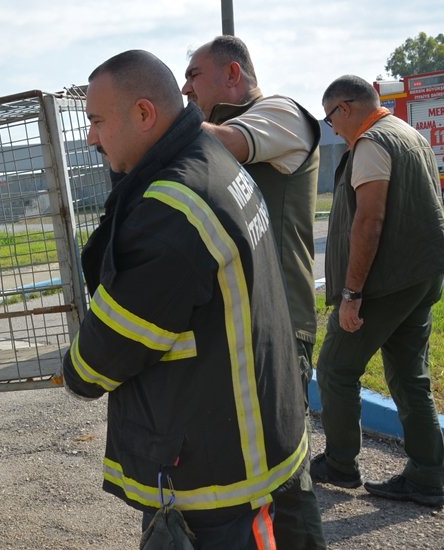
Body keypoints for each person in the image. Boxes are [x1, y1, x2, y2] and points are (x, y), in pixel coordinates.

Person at [62, 49, 307, 548]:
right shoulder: (211, 160)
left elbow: (100, 360)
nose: (91, 138)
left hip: (216, 481)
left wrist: (73, 369)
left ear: (144, 113)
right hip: (255, 441)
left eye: (97, 121)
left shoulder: (171, 208)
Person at [182, 36, 326, 548]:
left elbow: (224, 143)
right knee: (249, 471)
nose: (185, 89)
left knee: (285, 475)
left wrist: (153, 115)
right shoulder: (218, 128)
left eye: (193, 75)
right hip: (240, 326)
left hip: (280, 326)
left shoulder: (282, 114)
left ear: (233, 74)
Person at [310, 75, 444, 507]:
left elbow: (369, 220)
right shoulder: (407, 133)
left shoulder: (371, 143)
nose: (333, 128)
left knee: (335, 368)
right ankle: (429, 474)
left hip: (385, 282)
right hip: (421, 275)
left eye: (331, 118)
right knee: (410, 377)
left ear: (346, 108)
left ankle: (340, 464)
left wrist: (352, 295)